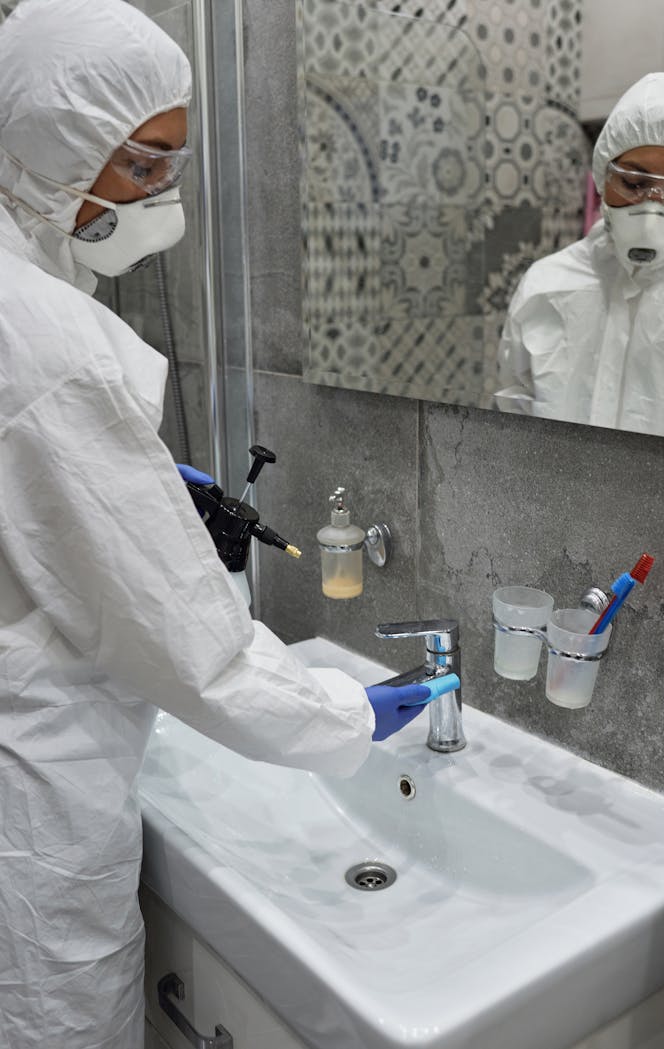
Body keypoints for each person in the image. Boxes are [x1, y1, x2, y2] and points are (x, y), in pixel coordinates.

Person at [0, 3, 429, 1047]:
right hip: (33, 789)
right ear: (52, 135)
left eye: (171, 167)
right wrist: (340, 714)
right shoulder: (52, 338)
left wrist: (124, 475)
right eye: (142, 166)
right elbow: (195, 652)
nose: (165, 200)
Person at [496, 72, 664, 441]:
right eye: (634, 184)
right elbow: (513, 426)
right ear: (603, 177)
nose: (654, 208)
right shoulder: (547, 287)